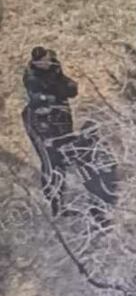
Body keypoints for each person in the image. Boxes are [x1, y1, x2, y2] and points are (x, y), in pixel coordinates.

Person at [22, 47, 79, 217]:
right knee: (50, 161)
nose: (46, 63)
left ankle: (60, 204)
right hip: (41, 124)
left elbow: (72, 89)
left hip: (60, 122)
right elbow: (37, 99)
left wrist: (59, 91)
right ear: (36, 62)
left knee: (61, 161)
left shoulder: (55, 70)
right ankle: (52, 204)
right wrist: (55, 94)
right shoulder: (32, 76)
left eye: (47, 59)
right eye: (42, 61)